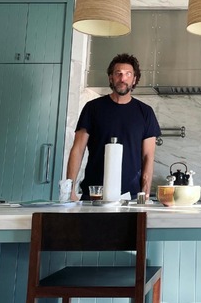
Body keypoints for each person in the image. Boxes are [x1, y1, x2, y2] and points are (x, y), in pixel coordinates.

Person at [67, 53, 161, 201]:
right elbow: (78, 149)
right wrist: (69, 190)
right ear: (111, 77)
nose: (123, 79)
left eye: (128, 74)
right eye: (118, 73)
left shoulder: (145, 112)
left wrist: (146, 194)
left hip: (131, 197)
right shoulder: (92, 108)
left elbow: (148, 156)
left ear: (134, 79)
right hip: (94, 195)